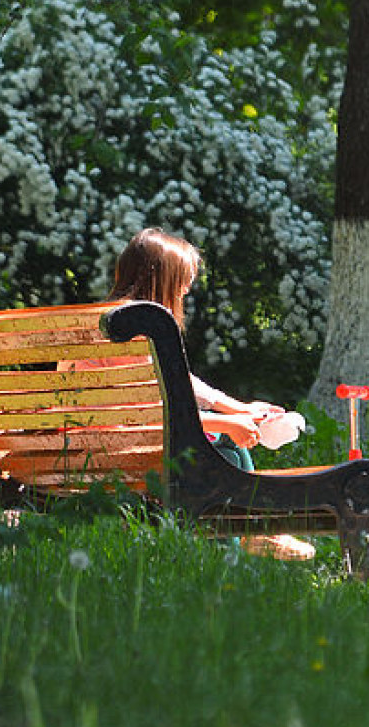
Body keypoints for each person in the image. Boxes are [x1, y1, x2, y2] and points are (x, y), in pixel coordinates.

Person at [64, 227, 315, 561]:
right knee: (221, 456)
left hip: (90, 448)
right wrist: (226, 424)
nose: (184, 293)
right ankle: (236, 548)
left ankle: (253, 533)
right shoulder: (134, 329)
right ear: (161, 281)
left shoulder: (105, 323)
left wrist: (238, 409)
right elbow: (151, 414)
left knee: (226, 450)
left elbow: (181, 384)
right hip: (120, 453)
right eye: (182, 284)